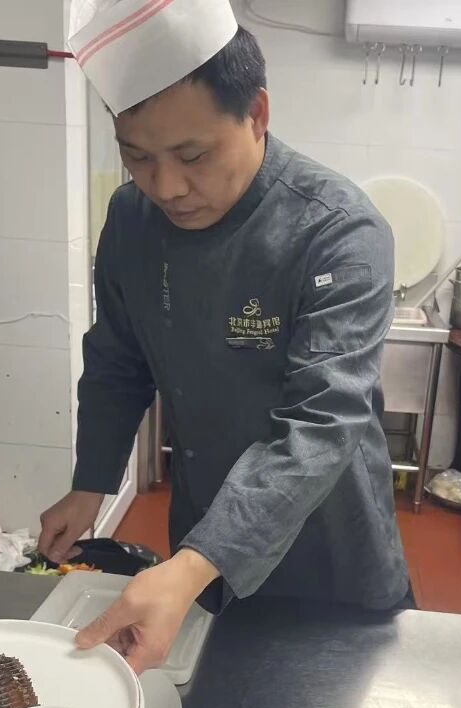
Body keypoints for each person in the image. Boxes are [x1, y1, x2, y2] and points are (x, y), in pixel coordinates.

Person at [39, 0, 410, 673]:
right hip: (202, 544)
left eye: (193, 155)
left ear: (257, 113)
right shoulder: (131, 219)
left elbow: (322, 422)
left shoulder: (337, 230)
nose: (167, 187)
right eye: (137, 157)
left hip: (331, 556)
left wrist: (191, 565)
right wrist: (90, 482)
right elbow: (119, 360)